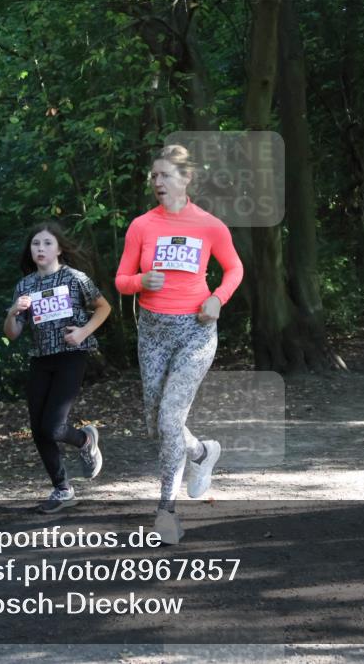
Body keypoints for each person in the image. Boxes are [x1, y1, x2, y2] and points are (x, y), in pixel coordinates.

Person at [115, 144, 244, 544]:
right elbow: (121, 279)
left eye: (165, 175)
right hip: (152, 333)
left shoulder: (209, 225)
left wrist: (216, 299)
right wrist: (140, 282)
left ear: (186, 178)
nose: (157, 182)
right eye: (153, 176)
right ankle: (203, 453)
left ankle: (165, 512)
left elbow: (234, 268)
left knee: (171, 418)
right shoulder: (141, 226)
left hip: (195, 331)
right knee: (157, 424)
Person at [4, 222, 111, 513]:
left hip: (71, 355)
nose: (41, 248)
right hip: (40, 358)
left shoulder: (75, 279)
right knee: (38, 429)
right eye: (36, 244)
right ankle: (62, 489)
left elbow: (104, 308)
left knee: (53, 427)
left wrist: (83, 333)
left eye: (47, 243)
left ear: (59, 248)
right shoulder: (25, 286)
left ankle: (86, 439)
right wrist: (14, 311)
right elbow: (12, 333)